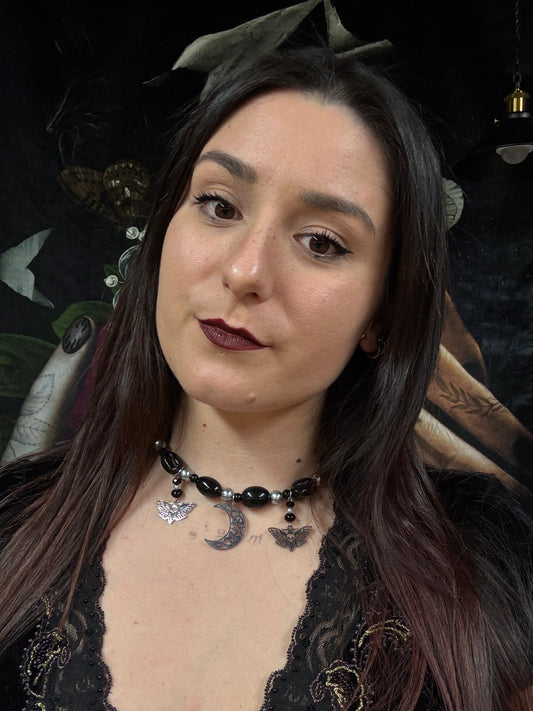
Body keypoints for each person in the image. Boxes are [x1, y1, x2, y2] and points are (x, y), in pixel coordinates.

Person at [0, 44, 532, 711]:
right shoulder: (14, 521)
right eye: (219, 205)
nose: (246, 271)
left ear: (383, 311)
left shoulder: (482, 564)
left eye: (321, 242)